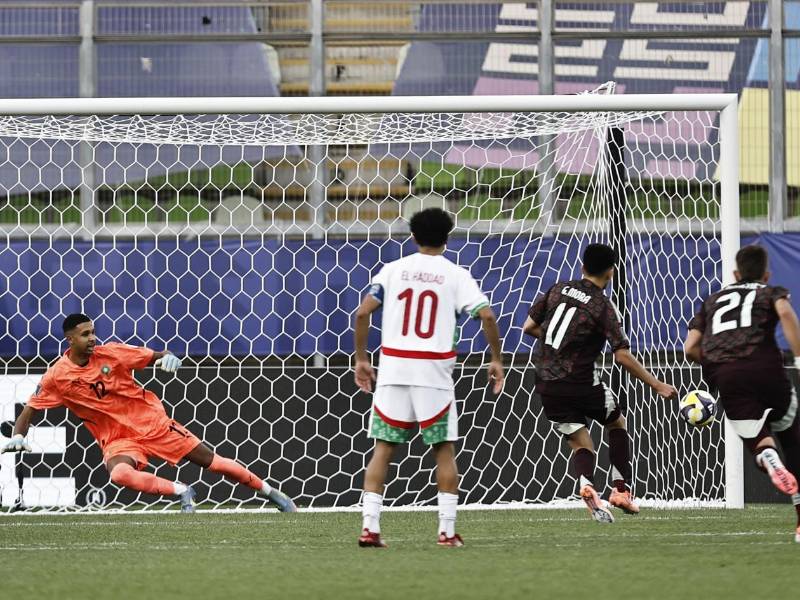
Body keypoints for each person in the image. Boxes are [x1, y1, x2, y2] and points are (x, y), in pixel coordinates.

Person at [2, 313, 296, 513]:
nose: (93, 338)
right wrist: (18, 435)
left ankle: (270, 493)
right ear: (70, 340)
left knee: (213, 462)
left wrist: (169, 360)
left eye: (93, 332)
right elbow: (31, 407)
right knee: (119, 474)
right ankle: (181, 490)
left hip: (153, 424)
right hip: (118, 440)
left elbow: (159, 355)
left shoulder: (113, 353)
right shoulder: (57, 376)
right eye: (85, 334)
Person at [353, 208, 504, 547]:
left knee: (383, 449)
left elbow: (362, 312)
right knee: (443, 450)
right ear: (448, 238)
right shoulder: (455, 274)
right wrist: (495, 358)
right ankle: (447, 532)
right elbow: (487, 315)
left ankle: (370, 528)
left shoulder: (393, 270)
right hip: (433, 372)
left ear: (413, 237)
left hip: (392, 368)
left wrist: (362, 359)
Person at [523, 243, 677, 523]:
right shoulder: (604, 307)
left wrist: (560, 347)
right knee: (617, 423)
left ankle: (586, 485)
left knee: (581, 443)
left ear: (582, 267)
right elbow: (622, 356)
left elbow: (529, 327)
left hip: (546, 381)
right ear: (612, 272)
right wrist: (656, 384)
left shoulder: (557, 289)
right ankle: (620, 491)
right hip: (581, 381)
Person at [684, 244, 800, 542]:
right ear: (766, 274)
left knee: (759, 442)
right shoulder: (770, 291)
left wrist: (717, 365)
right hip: (766, 368)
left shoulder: (712, 300)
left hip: (728, 376)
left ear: (735, 274)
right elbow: (786, 312)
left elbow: (689, 348)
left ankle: (768, 456)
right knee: (791, 435)